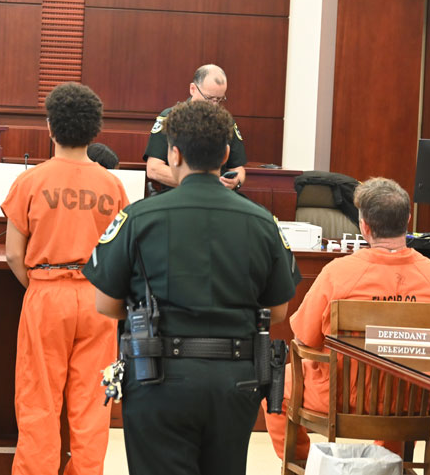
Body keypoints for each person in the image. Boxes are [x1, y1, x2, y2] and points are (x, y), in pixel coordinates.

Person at [84, 100, 299, 475]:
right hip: (238, 379)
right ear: (227, 154)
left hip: (159, 376)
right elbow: (278, 311)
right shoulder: (263, 221)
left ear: (174, 153)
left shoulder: (138, 217)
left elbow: (105, 303)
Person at [264, 177, 430, 462]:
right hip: (413, 402)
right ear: (407, 219)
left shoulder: (338, 273)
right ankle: (392, 465)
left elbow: (305, 339)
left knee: (275, 383)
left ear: (364, 226)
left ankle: (306, 467)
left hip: (341, 399)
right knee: (403, 380)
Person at [1, 82, 130, 475]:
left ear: (50, 128)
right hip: (98, 302)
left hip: (47, 294)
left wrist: (40, 286)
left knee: (38, 400)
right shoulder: (114, 186)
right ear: (95, 131)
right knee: (93, 405)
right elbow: (123, 255)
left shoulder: (30, 181)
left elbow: (11, 253)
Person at [144, 64, 246, 191]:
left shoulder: (226, 122)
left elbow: (238, 168)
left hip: (216, 198)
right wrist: (199, 184)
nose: (214, 105)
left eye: (219, 99)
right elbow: (154, 169)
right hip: (178, 196)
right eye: (209, 98)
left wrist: (236, 181)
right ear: (193, 89)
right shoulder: (170, 118)